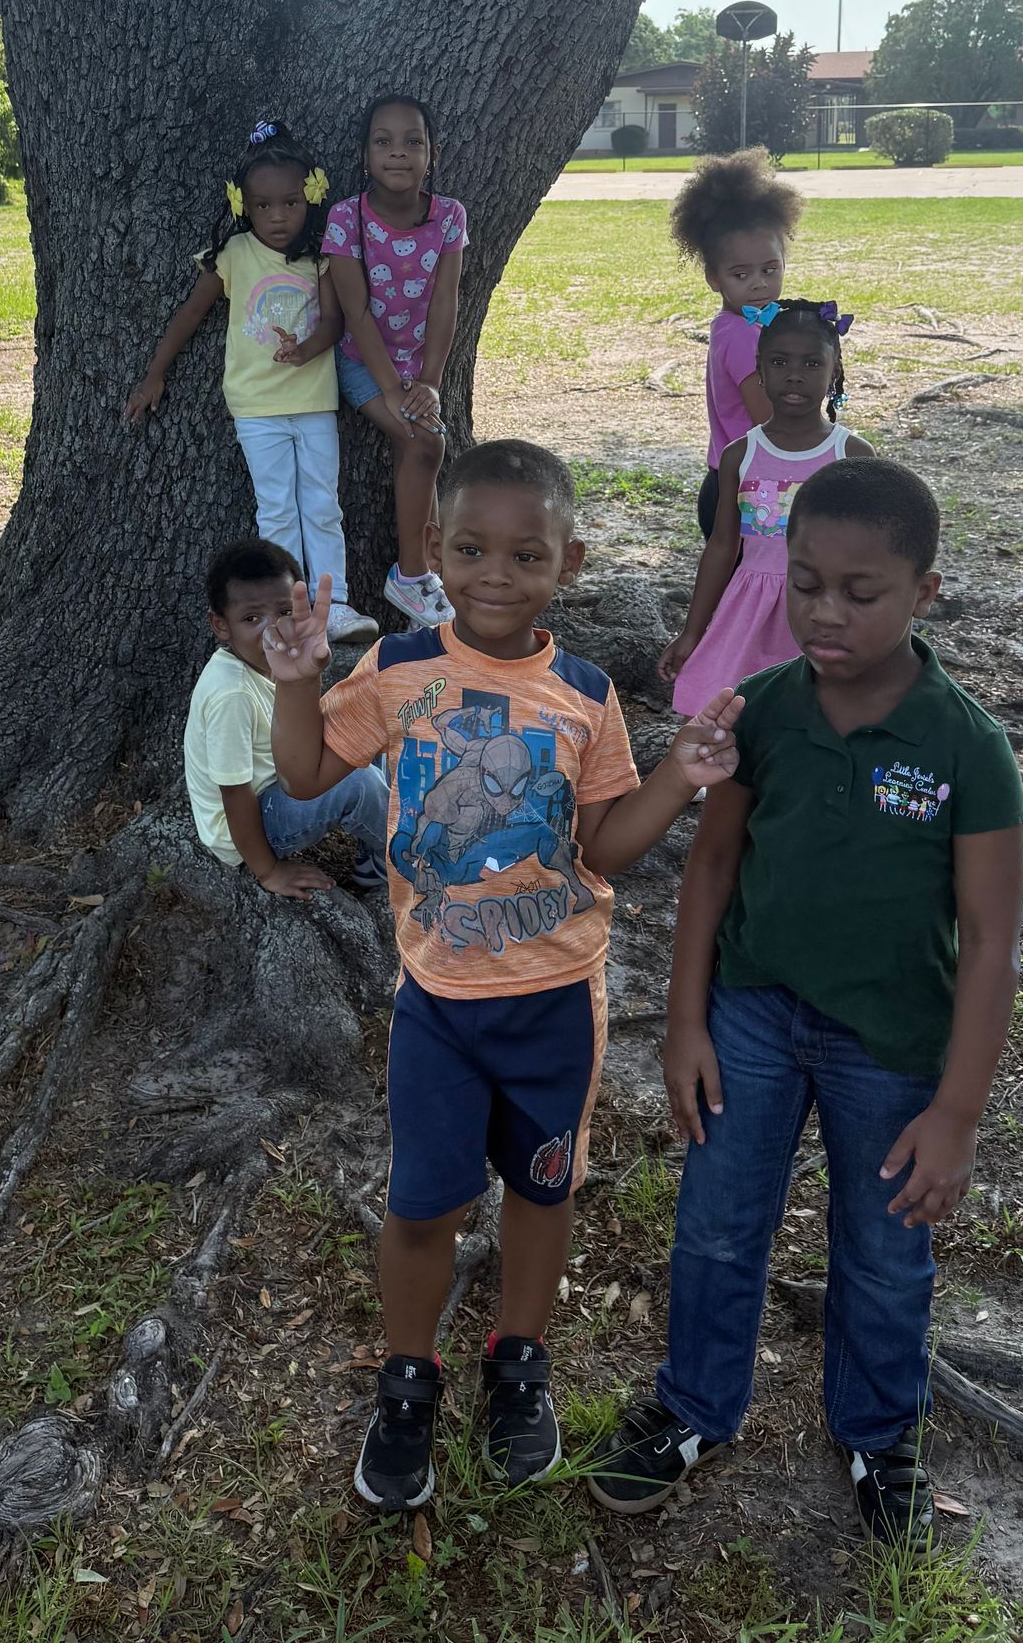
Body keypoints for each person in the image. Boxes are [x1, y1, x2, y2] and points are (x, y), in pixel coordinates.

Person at [264, 439, 745, 1512]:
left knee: (543, 1188)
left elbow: (606, 847)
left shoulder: (584, 693)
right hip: (437, 1005)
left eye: (525, 554)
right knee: (421, 1204)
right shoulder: (396, 671)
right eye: (471, 547)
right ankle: (407, 1380)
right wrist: (295, 683)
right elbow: (303, 773)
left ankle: (518, 1362)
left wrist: (678, 775)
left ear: (568, 563)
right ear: (433, 547)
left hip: (555, 1005)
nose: (495, 572)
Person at [589, 458, 1023, 1540]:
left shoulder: (968, 748)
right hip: (752, 1018)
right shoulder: (766, 711)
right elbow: (710, 867)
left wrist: (957, 1113)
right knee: (718, 1225)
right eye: (805, 584)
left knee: (883, 1255)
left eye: (860, 591)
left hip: (891, 1045)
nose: (825, 613)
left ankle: (881, 1436)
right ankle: (693, 1407)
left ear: (925, 592)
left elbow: (991, 944)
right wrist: (686, 1021)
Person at [126, 119, 378, 647]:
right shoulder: (234, 255)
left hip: (312, 401)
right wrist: (154, 375)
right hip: (256, 408)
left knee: (323, 504)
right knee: (277, 509)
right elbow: (189, 315)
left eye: (290, 202)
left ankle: (334, 606)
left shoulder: (321, 256)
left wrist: (304, 349)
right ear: (243, 205)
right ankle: (286, 612)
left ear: (310, 196)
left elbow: (335, 323)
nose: (278, 216)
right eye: (263, 206)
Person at [661, 301, 871, 718]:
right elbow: (722, 547)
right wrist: (691, 632)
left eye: (812, 363)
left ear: (835, 371)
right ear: (759, 369)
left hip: (820, 613)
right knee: (735, 718)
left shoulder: (852, 455)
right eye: (779, 361)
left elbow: (870, 556)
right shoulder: (741, 454)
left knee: (813, 714)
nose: (794, 374)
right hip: (749, 614)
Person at [321, 95, 465, 629]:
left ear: (432, 153)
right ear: (364, 155)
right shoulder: (347, 217)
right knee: (425, 440)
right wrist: (391, 388)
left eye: (413, 142)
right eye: (383, 141)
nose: (398, 153)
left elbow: (446, 302)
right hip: (362, 363)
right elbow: (355, 313)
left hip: (416, 370)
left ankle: (422, 586)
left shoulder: (449, 216)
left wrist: (428, 380)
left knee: (422, 444)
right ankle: (411, 577)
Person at [184, 539, 388, 896]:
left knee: (369, 735)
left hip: (281, 780)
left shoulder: (267, 664)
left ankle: (377, 854)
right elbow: (235, 795)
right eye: (252, 618)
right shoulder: (231, 694)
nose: (271, 629)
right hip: (251, 828)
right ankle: (409, 859)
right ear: (220, 625)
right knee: (359, 782)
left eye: (283, 612)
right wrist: (269, 870)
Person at [667, 149, 805, 541]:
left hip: (742, 481)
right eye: (740, 273)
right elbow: (768, 417)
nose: (758, 283)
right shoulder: (743, 334)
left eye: (770, 269)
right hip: (745, 491)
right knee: (751, 589)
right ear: (714, 277)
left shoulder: (745, 323)